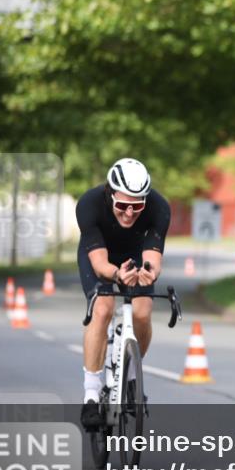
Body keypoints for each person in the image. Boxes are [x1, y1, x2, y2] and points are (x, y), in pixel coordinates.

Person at [76, 158, 171, 429]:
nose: (130, 212)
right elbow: (100, 264)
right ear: (110, 193)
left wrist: (149, 273)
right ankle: (92, 395)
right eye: (122, 205)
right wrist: (117, 275)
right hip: (100, 255)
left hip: (135, 255)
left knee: (143, 311)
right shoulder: (89, 204)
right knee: (103, 308)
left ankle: (129, 377)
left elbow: (153, 257)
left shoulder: (159, 208)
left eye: (137, 206)